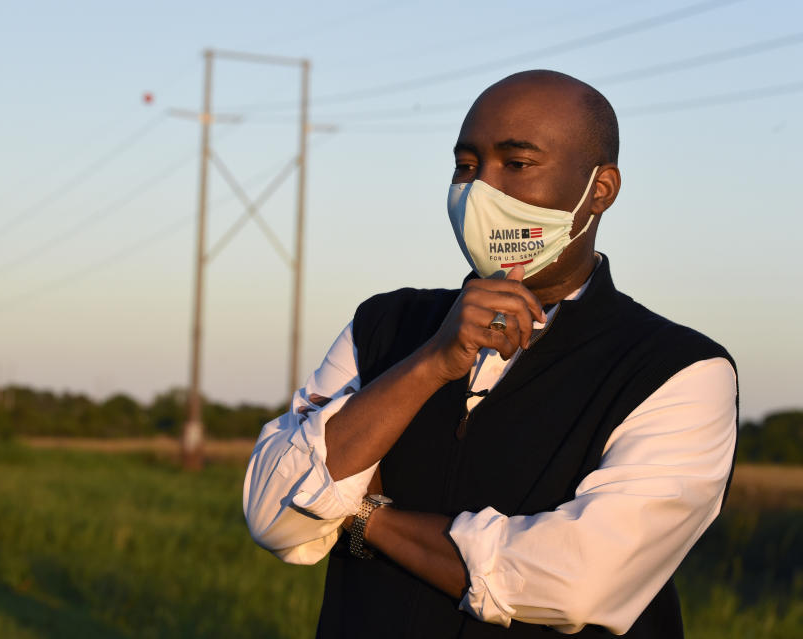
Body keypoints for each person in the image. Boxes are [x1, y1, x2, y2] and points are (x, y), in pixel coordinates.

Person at [242, 70, 737, 638]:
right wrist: (431, 362)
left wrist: (362, 515)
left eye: (517, 164)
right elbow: (275, 516)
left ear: (600, 189)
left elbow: (575, 582)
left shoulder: (678, 369)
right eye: (466, 166)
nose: (482, 190)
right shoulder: (384, 326)